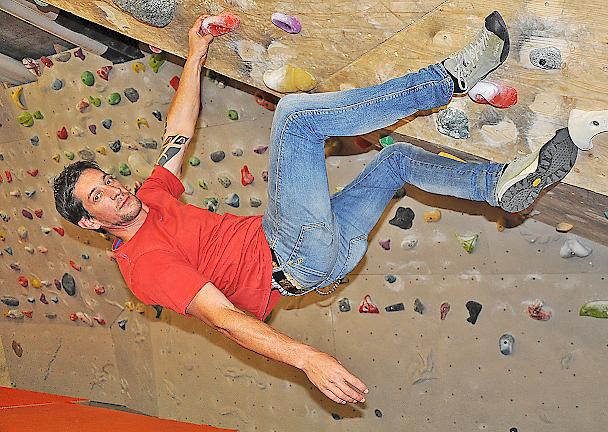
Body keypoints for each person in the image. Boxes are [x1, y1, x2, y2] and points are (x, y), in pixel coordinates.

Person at [53, 12, 577, 405]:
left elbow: (177, 133)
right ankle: (451, 77)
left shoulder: (150, 198)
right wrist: (308, 358)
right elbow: (226, 319)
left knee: (393, 163)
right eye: (98, 196)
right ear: (88, 222)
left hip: (323, 256)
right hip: (292, 255)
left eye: (108, 180)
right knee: (297, 117)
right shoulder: (144, 266)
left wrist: (195, 53)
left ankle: (498, 186)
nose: (116, 190)